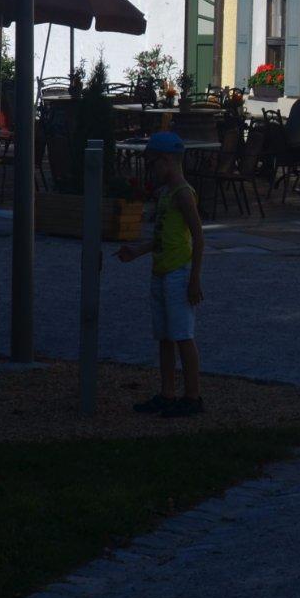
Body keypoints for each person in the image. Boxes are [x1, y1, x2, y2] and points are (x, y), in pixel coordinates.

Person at [116, 130, 206, 417]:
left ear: (167, 161)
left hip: (178, 274)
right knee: (165, 337)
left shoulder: (182, 194)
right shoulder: (166, 194)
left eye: (153, 164)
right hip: (161, 270)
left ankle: (193, 396)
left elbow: (198, 237)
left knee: (182, 336)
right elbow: (163, 236)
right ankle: (168, 393)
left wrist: (194, 278)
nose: (150, 171)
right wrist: (139, 251)